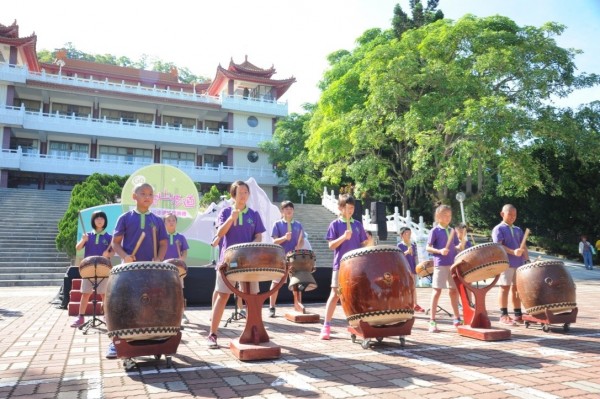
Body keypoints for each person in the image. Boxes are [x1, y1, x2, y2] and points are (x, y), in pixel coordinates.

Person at [108, 182, 168, 358]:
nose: (147, 197)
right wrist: (125, 256)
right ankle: (116, 342)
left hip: (150, 271)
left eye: (150, 194)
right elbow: (115, 243)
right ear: (134, 196)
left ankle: (153, 340)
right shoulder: (125, 218)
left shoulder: (157, 221)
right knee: (124, 306)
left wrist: (159, 259)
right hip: (129, 271)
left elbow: (163, 244)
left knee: (151, 306)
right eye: (143, 193)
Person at [207, 180, 265, 348]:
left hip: (249, 263)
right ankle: (212, 334)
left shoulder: (253, 214)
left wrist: (252, 246)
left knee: (252, 298)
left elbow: (259, 236)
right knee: (222, 295)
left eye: (246, 192)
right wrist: (231, 218)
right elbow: (220, 233)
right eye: (240, 193)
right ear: (233, 195)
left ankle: (254, 331)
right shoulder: (225, 212)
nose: (243, 195)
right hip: (228, 262)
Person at [320, 194, 369, 340]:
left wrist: (368, 242)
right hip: (340, 265)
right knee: (335, 295)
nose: (350, 211)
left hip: (356, 266)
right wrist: (343, 237)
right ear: (340, 208)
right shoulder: (335, 224)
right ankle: (326, 325)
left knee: (357, 296)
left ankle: (359, 325)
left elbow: (363, 244)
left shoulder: (358, 225)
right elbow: (331, 245)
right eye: (347, 208)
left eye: (352, 208)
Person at [70, 211, 112, 328]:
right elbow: (78, 248)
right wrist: (83, 240)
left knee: (104, 294)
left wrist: (107, 254)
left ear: (105, 221)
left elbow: (112, 251)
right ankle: (80, 317)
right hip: (88, 269)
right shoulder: (88, 235)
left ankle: (107, 316)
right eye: (97, 218)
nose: (99, 220)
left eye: (102, 218)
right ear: (93, 221)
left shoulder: (109, 237)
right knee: (85, 293)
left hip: (103, 268)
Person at [426, 204, 463, 333]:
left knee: (454, 291)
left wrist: (460, 245)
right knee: (437, 291)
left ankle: (457, 318)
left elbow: (455, 247)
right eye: (445, 215)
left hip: (452, 264)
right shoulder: (435, 231)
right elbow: (428, 247)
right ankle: (432, 320)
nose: (448, 218)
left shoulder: (452, 230)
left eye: (449, 215)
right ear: (438, 216)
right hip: (440, 264)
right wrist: (439, 251)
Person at [492, 204, 529, 326]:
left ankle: (518, 314)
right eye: (510, 214)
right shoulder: (499, 229)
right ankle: (503, 315)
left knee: (517, 289)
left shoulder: (518, 229)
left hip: (519, 264)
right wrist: (513, 252)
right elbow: (498, 246)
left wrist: (527, 260)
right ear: (502, 214)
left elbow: (523, 246)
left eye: (515, 215)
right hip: (505, 264)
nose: (513, 217)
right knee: (504, 288)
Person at [270, 200, 304, 318]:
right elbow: (274, 241)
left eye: (291, 209)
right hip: (280, 257)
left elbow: (301, 240)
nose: (289, 211)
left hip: (294, 258)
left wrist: (298, 247)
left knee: (297, 282)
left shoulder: (298, 225)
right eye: (286, 209)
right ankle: (272, 307)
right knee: (276, 283)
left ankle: (298, 305)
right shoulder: (277, 224)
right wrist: (284, 238)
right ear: (282, 211)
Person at [163, 212, 189, 323]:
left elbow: (185, 253)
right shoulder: (161, 237)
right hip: (163, 269)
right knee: (163, 291)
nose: (171, 222)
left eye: (173, 220)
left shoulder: (181, 237)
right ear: (164, 223)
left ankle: (182, 314)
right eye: (168, 220)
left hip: (177, 270)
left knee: (179, 291)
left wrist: (181, 261)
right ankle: (164, 313)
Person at [397, 226, 424, 313]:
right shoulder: (399, 245)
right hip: (404, 269)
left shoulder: (413, 245)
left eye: (410, 233)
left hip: (412, 268)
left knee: (413, 287)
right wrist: (407, 252)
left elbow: (415, 257)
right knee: (405, 287)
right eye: (406, 233)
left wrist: (418, 267)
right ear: (401, 235)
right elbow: (398, 257)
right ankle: (405, 304)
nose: (408, 235)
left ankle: (415, 304)